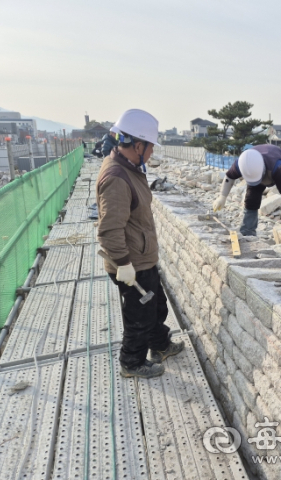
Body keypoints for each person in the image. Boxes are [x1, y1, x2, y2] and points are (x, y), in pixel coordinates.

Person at [96, 108, 184, 379]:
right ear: (137, 145)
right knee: (139, 317)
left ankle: (160, 345)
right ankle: (131, 363)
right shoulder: (117, 177)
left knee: (155, 307)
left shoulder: (129, 168)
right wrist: (123, 264)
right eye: (150, 148)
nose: (152, 153)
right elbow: (109, 229)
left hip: (141, 258)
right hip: (130, 263)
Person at [212, 144, 281, 236]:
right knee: (251, 199)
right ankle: (247, 231)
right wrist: (222, 197)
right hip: (260, 169)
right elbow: (229, 177)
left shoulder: (277, 168)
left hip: (276, 162)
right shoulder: (241, 163)